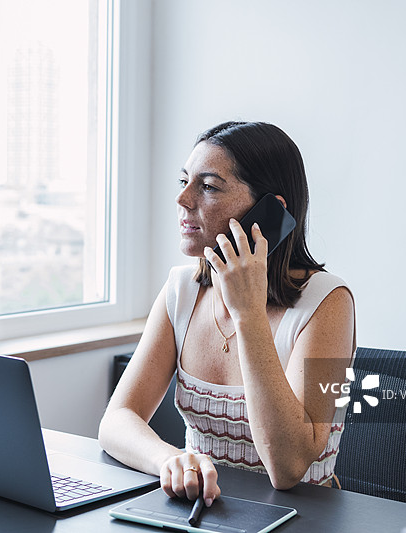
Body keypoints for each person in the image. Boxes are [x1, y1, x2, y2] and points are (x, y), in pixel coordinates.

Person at [98, 121, 356, 508]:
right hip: (204, 513)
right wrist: (170, 461)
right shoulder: (181, 291)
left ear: (270, 212)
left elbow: (288, 469)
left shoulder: (328, 303)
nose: (183, 199)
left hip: (302, 520)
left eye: (208, 186)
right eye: (185, 181)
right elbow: (117, 419)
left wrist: (248, 313)